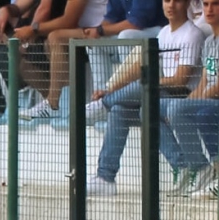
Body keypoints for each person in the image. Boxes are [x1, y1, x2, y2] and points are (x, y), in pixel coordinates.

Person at [88, 0, 204, 195]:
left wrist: (151, 82)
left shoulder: (192, 34)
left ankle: (102, 105)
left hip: (182, 96)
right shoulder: (165, 32)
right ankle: (105, 177)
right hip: (162, 95)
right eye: (167, 0)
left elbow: (181, 80)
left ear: (186, 4)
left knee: (146, 95)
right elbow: (137, 66)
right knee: (119, 111)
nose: (171, 6)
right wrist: (110, 89)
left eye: (176, 1)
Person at [162, 0, 219, 194]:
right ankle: (196, 167)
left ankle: (214, 171)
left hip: (215, 101)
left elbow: (216, 87)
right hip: (208, 100)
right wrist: (185, 105)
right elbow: (204, 82)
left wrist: (190, 105)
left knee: (196, 112)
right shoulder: (210, 42)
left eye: (216, 4)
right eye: (206, 4)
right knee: (154, 109)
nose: (209, 10)